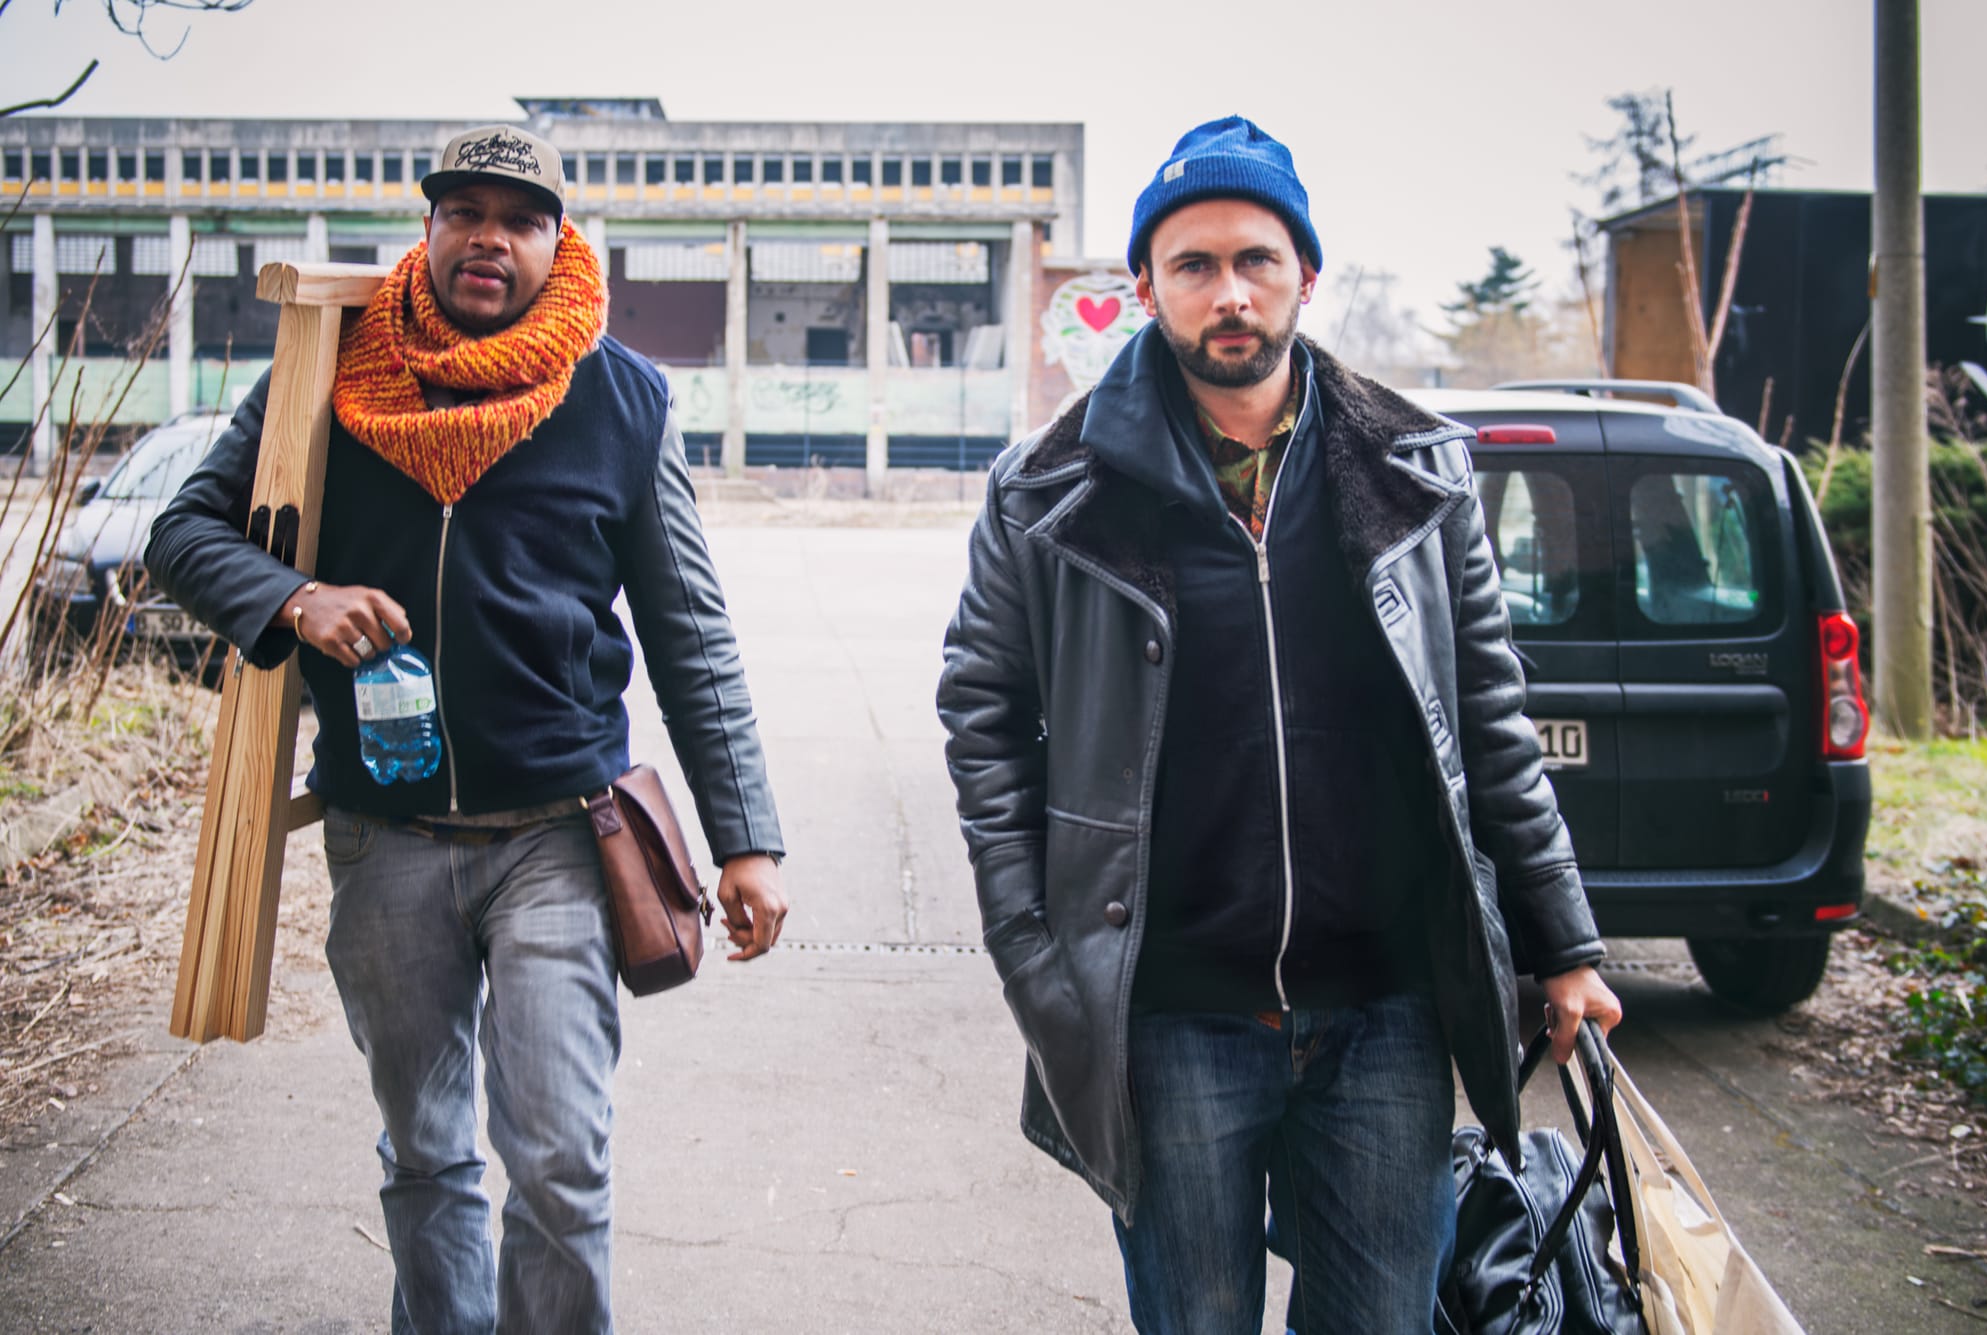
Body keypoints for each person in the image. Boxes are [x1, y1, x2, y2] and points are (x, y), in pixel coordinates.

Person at [936, 115, 1622, 1335]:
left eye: (1255, 259)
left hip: (1385, 1011)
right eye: (1193, 265)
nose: (1229, 294)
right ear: (1143, 286)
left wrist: (1563, 943)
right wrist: (1030, 955)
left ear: (1306, 271)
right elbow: (982, 717)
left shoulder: (1413, 473)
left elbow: (1487, 722)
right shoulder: (1047, 490)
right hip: (1168, 1015)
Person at [146, 124, 787, 1335]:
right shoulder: (327, 372)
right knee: (426, 1152)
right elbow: (182, 531)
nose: (490, 238)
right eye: (465, 213)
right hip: (384, 837)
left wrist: (745, 838)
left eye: (521, 219)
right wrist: (293, 598)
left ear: (558, 241)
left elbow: (689, 631)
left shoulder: (620, 398)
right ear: (429, 227)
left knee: (560, 1162)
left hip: (561, 837)